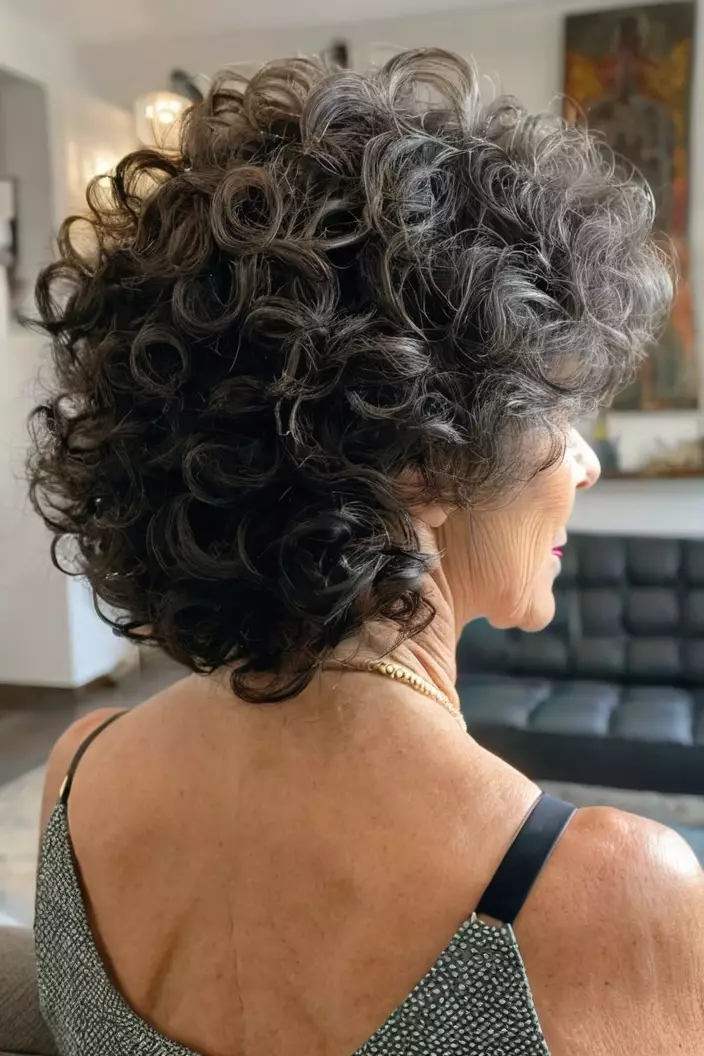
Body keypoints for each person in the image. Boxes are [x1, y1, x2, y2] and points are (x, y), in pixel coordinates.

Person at [29, 49, 703, 1056]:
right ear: (425, 464)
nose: (582, 465)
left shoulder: (74, 781)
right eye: (558, 414)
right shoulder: (608, 899)